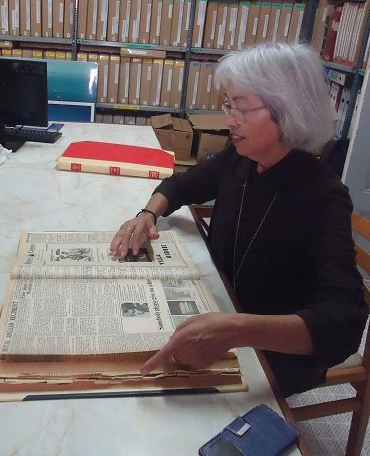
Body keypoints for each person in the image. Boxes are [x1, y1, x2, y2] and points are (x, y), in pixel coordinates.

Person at [110, 42, 368, 396]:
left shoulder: (323, 196)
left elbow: (346, 321)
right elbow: (181, 185)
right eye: (229, 105)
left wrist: (237, 329)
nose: (229, 119)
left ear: (287, 111)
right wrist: (147, 213)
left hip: (269, 351)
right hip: (219, 307)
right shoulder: (241, 157)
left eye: (242, 108)